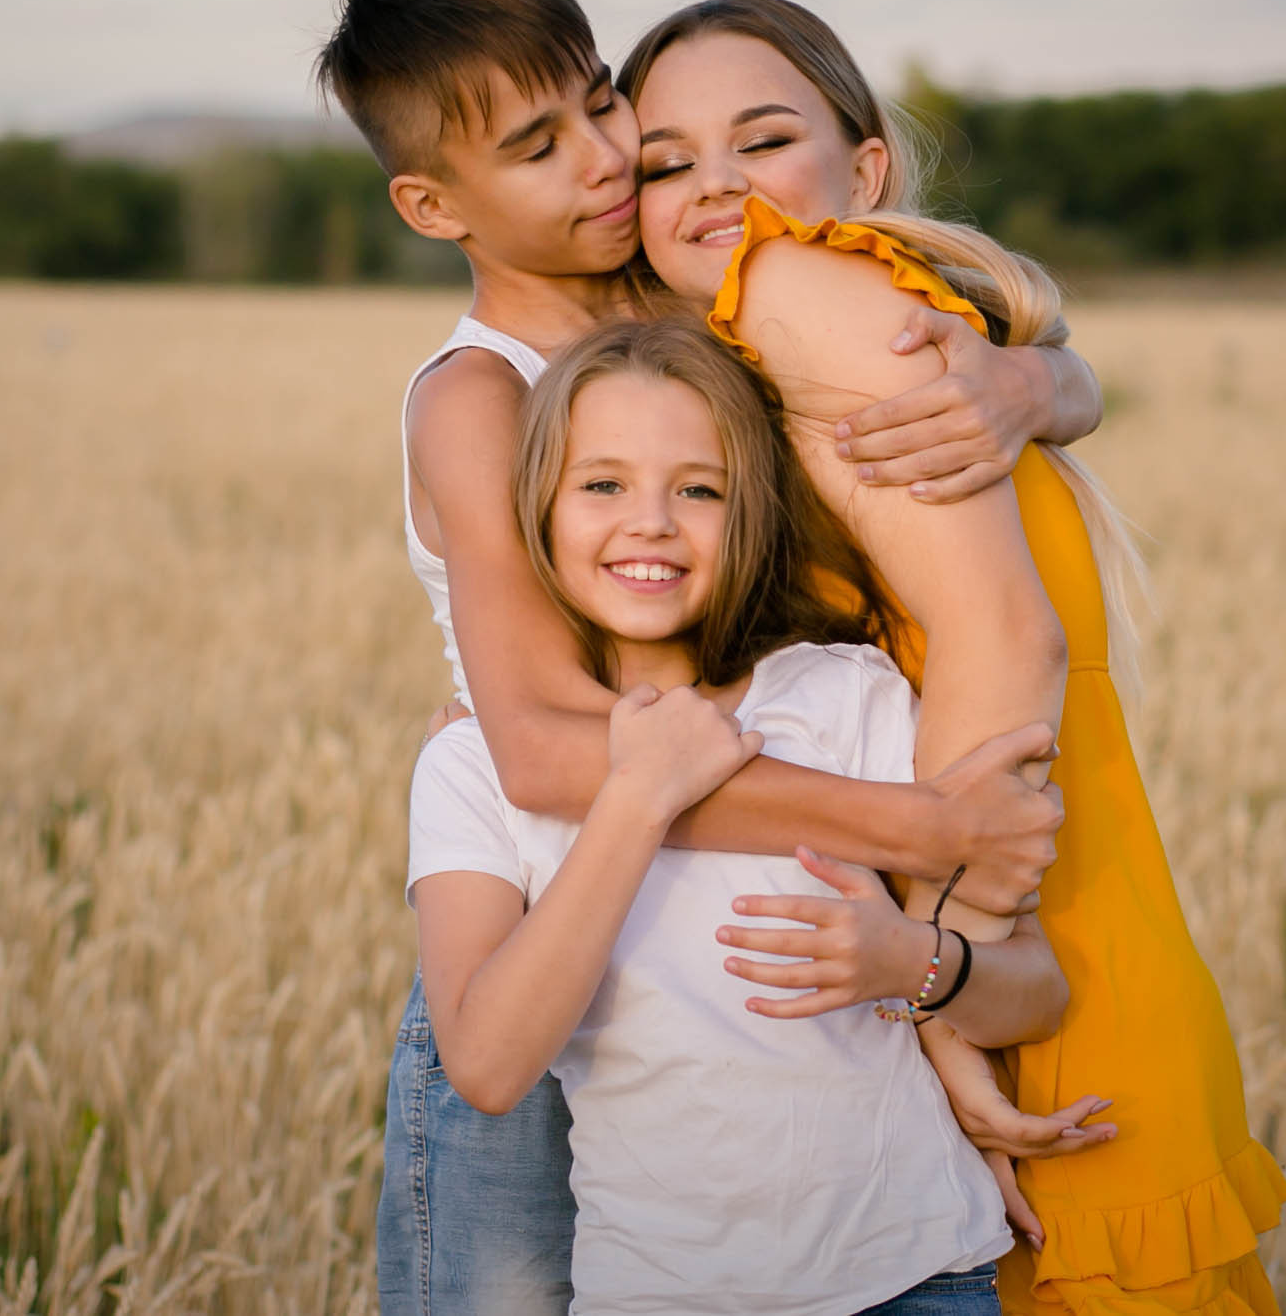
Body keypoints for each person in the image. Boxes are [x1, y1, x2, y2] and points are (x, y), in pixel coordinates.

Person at [313, 0, 1107, 1315]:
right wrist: (914, 828)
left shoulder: (697, 313)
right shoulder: (478, 398)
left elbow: (958, 358)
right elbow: (553, 759)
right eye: (539, 143)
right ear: (433, 203)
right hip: (546, 930)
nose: (608, 157)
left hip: (747, 950)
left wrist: (1037, 376)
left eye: (599, 103)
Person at [617, 0, 1286, 1315]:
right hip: (1052, 914)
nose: (710, 186)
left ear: (863, 168)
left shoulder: (800, 286)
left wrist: (954, 978)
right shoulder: (790, 331)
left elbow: (1003, 638)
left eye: (758, 139)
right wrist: (1049, 378)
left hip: (1019, 937)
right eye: (663, 159)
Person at [411, 317, 1075, 1314]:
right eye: (601, 485)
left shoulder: (845, 697)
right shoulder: (473, 765)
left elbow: (1032, 992)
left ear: (752, 515)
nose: (649, 523)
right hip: (661, 1292)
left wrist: (906, 962)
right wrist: (636, 796)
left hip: (918, 1276)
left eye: (698, 489)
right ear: (533, 509)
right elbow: (490, 1067)